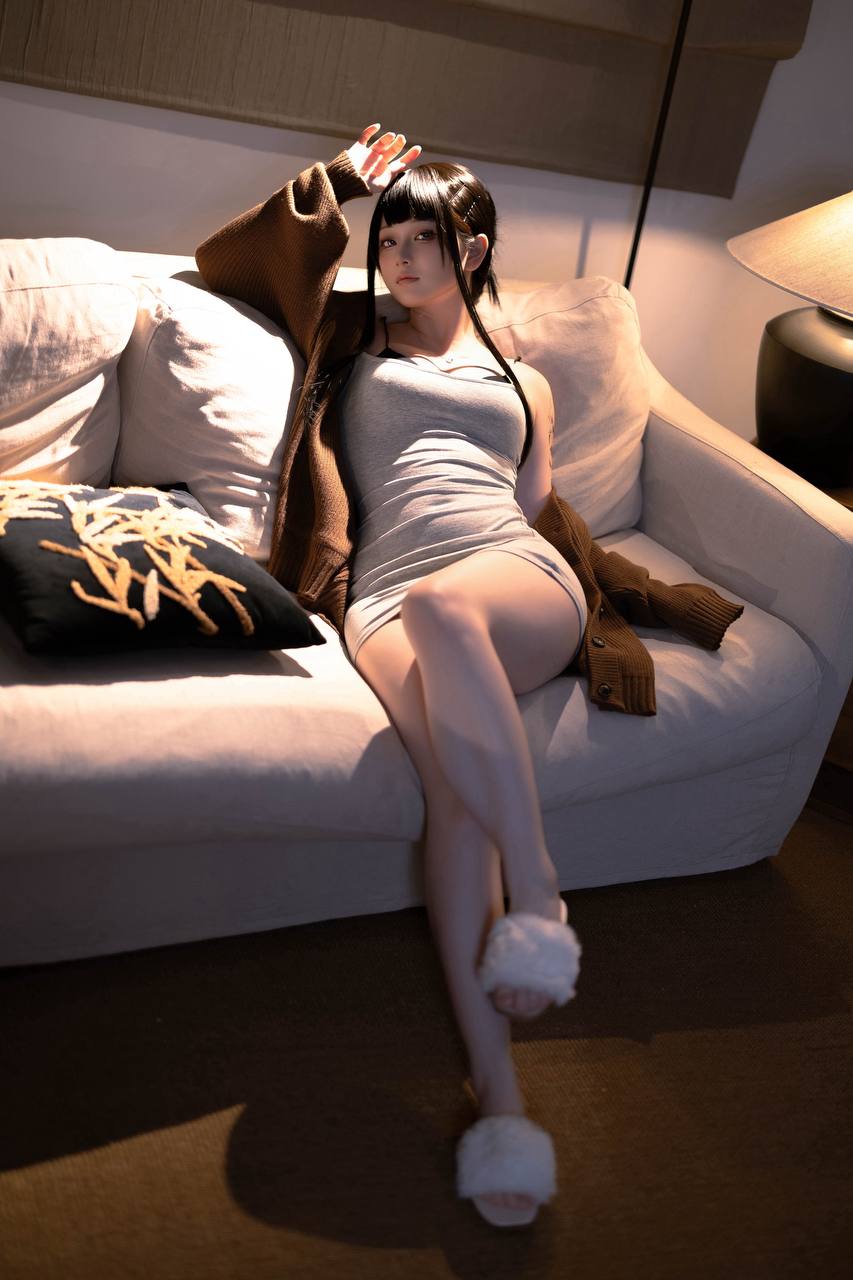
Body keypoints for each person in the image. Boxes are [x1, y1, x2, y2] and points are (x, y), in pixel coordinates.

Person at [195, 124, 743, 1228]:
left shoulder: (524, 380)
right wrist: (342, 183)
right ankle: (500, 1100)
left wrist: (609, 585)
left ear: (474, 249)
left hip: (508, 576)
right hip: (387, 596)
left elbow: (533, 505)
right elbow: (234, 262)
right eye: (389, 238)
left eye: (423, 239)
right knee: (453, 788)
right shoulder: (352, 336)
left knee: (453, 609)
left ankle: (537, 890)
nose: (399, 256)